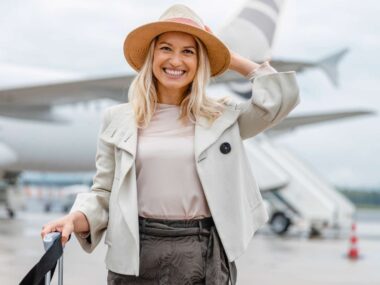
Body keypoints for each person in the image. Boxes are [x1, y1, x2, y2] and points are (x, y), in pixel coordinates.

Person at [41, 4, 300, 285]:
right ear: (152, 55)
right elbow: (103, 192)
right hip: (135, 253)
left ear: (200, 61)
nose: (175, 60)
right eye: (166, 48)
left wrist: (228, 56)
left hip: (202, 253)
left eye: (188, 51)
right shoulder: (117, 119)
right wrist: (74, 218)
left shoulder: (223, 119)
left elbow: (279, 99)